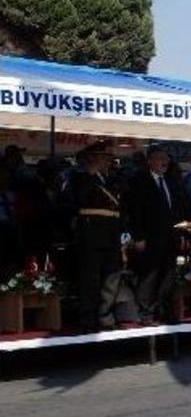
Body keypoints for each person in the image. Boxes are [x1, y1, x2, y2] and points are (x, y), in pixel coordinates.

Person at [127, 145, 190, 323]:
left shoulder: (171, 182)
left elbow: (178, 210)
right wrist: (138, 236)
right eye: (160, 159)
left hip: (171, 237)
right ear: (150, 161)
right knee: (150, 275)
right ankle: (145, 312)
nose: (164, 162)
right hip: (150, 237)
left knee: (168, 275)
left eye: (166, 159)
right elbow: (135, 211)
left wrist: (183, 234)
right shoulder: (140, 182)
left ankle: (161, 309)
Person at [71, 141, 122, 331]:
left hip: (111, 234)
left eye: (109, 158)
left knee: (111, 276)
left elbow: (118, 207)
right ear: (93, 158)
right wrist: (89, 176)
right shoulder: (79, 178)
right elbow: (77, 200)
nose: (108, 162)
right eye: (104, 158)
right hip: (91, 234)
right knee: (90, 279)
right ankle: (88, 318)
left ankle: (105, 316)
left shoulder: (112, 180)